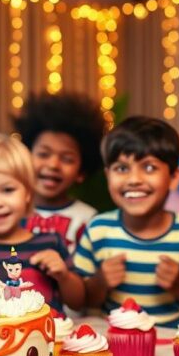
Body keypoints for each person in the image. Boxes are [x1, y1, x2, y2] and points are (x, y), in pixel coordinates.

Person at [72, 116, 179, 327]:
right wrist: (100, 281)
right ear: (108, 176)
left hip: (172, 342)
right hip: (114, 342)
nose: (134, 179)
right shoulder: (98, 229)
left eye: (149, 167)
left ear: (174, 178)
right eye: (122, 168)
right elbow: (81, 300)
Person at [0, 132, 85, 314]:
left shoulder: (51, 243)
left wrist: (63, 276)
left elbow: (77, 302)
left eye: (7, 190)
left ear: (28, 193)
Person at [14, 92, 107, 254]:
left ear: (81, 172)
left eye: (67, 159)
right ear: (25, 157)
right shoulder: (10, 211)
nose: (53, 165)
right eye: (43, 154)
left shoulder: (89, 220)